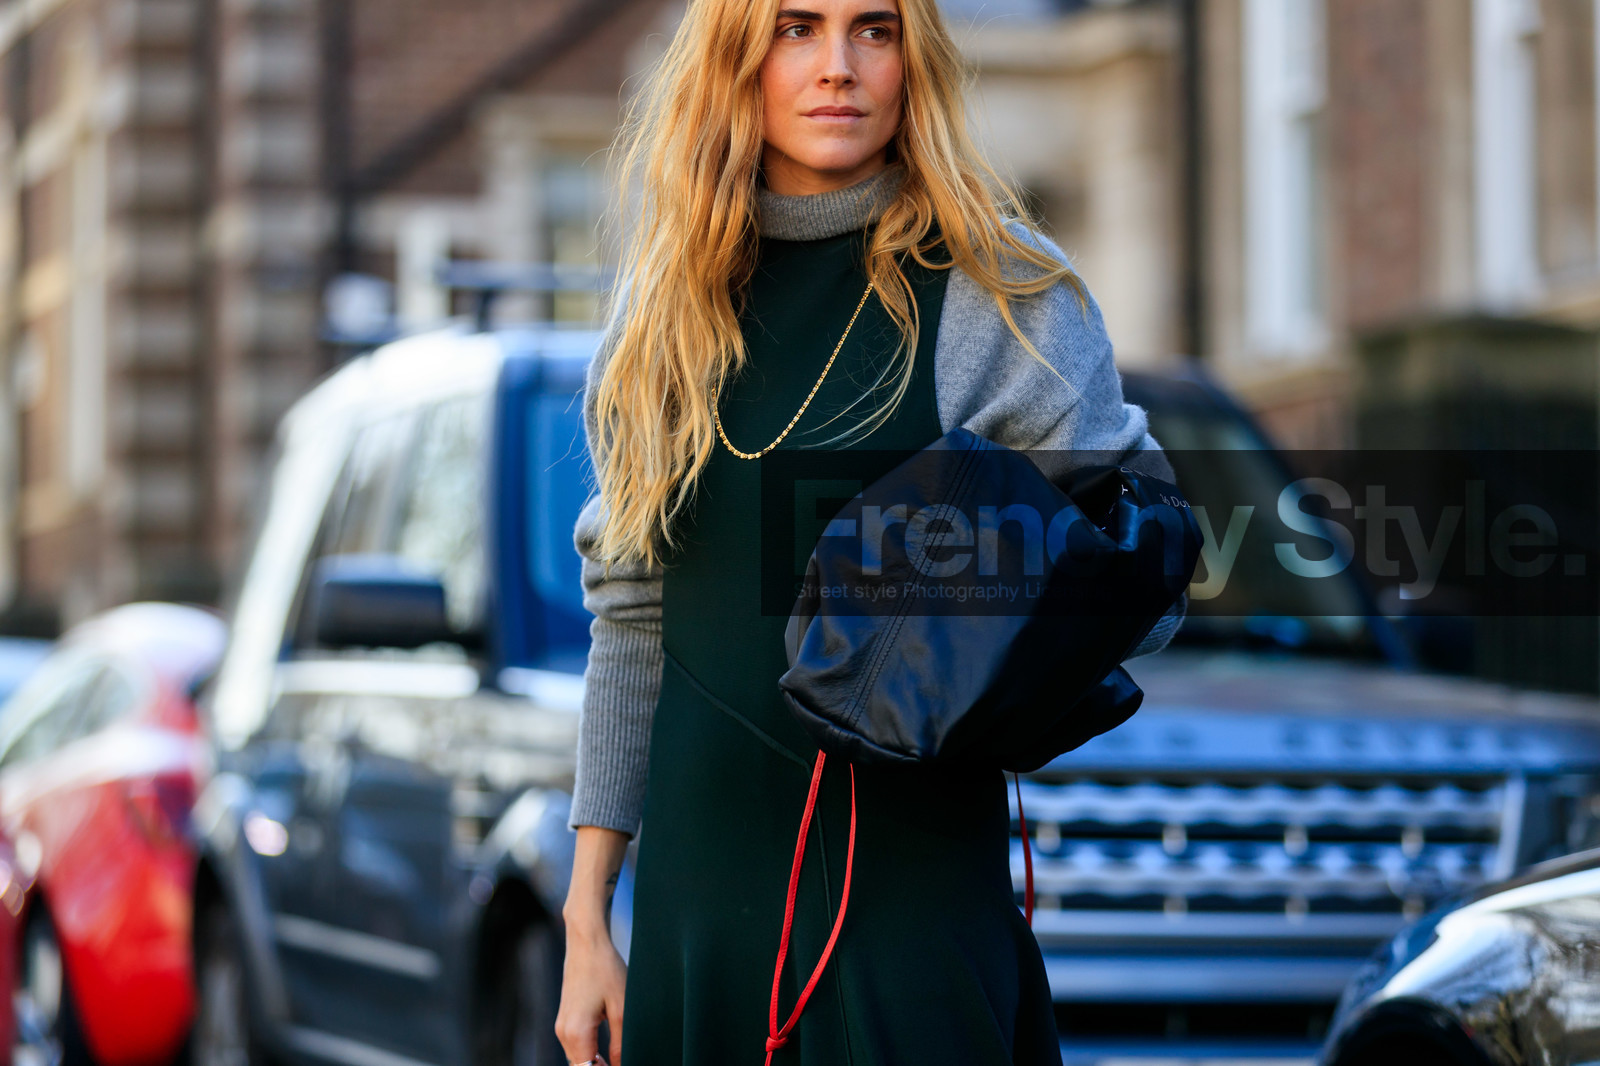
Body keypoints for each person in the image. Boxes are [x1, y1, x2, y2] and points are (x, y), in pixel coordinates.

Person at [554, 0, 1187, 1063]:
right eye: (797, 28)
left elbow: (1147, 574)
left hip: (911, 891)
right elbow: (630, 623)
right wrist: (588, 918)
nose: (837, 67)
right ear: (736, 58)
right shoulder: (663, 310)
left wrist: (979, 625)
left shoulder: (997, 290)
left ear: (911, 60)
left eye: (874, 30)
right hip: (700, 900)